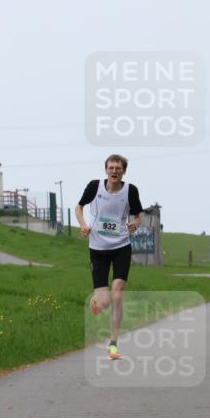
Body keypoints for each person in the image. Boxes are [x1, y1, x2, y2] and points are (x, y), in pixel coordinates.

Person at [75, 154, 143, 360]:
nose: (114, 171)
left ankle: (113, 344)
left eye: (118, 168)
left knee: (117, 294)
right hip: (98, 249)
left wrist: (135, 224)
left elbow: (139, 215)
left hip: (121, 246)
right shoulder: (95, 187)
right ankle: (98, 303)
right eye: (111, 168)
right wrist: (83, 225)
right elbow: (79, 207)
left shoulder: (130, 190)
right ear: (106, 170)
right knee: (104, 301)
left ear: (124, 171)